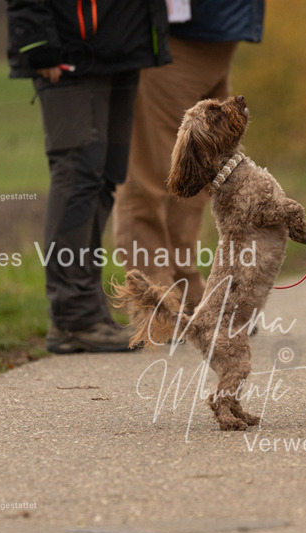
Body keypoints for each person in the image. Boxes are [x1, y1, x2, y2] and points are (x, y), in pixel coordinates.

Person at [6, 1, 171, 353]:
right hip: (69, 53)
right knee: (78, 177)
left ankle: (86, 311)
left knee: (105, 176)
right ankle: (71, 317)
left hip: (125, 48)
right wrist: (37, 43)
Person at [113, 1, 265, 313]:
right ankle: (154, 301)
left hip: (217, 31)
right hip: (169, 35)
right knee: (149, 174)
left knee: (197, 172)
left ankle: (185, 288)